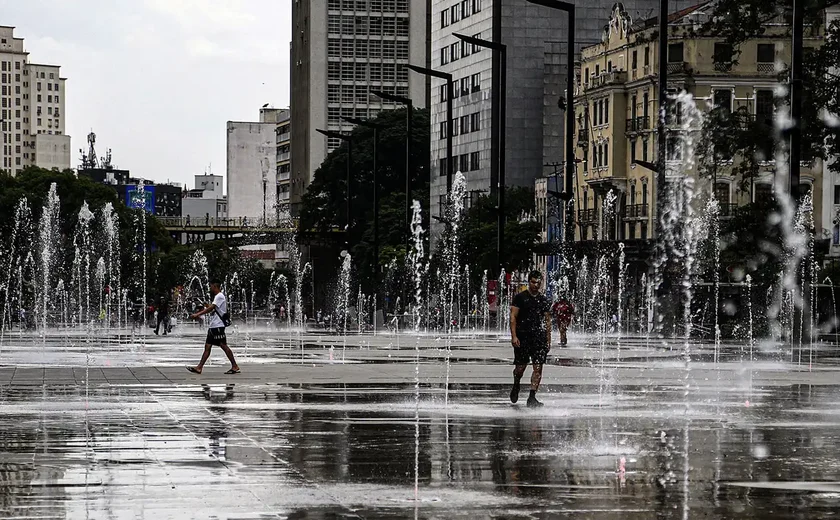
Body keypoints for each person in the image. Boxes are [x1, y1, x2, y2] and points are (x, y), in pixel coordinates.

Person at [510, 270, 552, 407]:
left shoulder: (544, 300)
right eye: (533, 282)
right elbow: (513, 317)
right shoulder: (520, 298)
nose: (536, 285)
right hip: (523, 337)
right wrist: (514, 336)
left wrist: (548, 340)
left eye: (538, 282)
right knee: (520, 367)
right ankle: (516, 383)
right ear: (529, 282)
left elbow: (547, 321)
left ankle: (532, 397)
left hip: (538, 338)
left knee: (538, 367)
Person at [186, 281, 240, 375]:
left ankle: (234, 366)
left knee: (223, 346)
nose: (210, 288)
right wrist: (208, 306)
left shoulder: (219, 296)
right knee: (208, 346)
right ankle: (199, 367)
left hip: (218, 326)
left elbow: (211, 308)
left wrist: (197, 314)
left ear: (215, 286)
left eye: (211, 287)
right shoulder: (218, 297)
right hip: (214, 326)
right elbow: (214, 309)